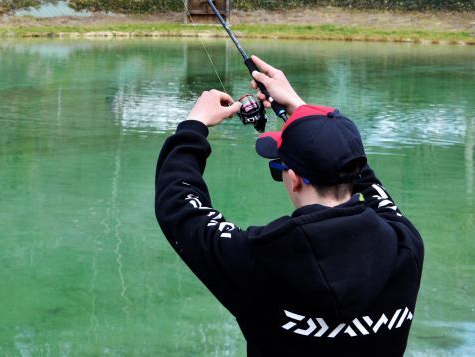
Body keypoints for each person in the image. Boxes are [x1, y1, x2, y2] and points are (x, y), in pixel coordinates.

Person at [155, 55, 424, 356]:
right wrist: (302, 111)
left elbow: (179, 204)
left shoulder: (253, 260)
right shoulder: (406, 245)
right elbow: (364, 178)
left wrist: (194, 125)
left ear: (294, 178)